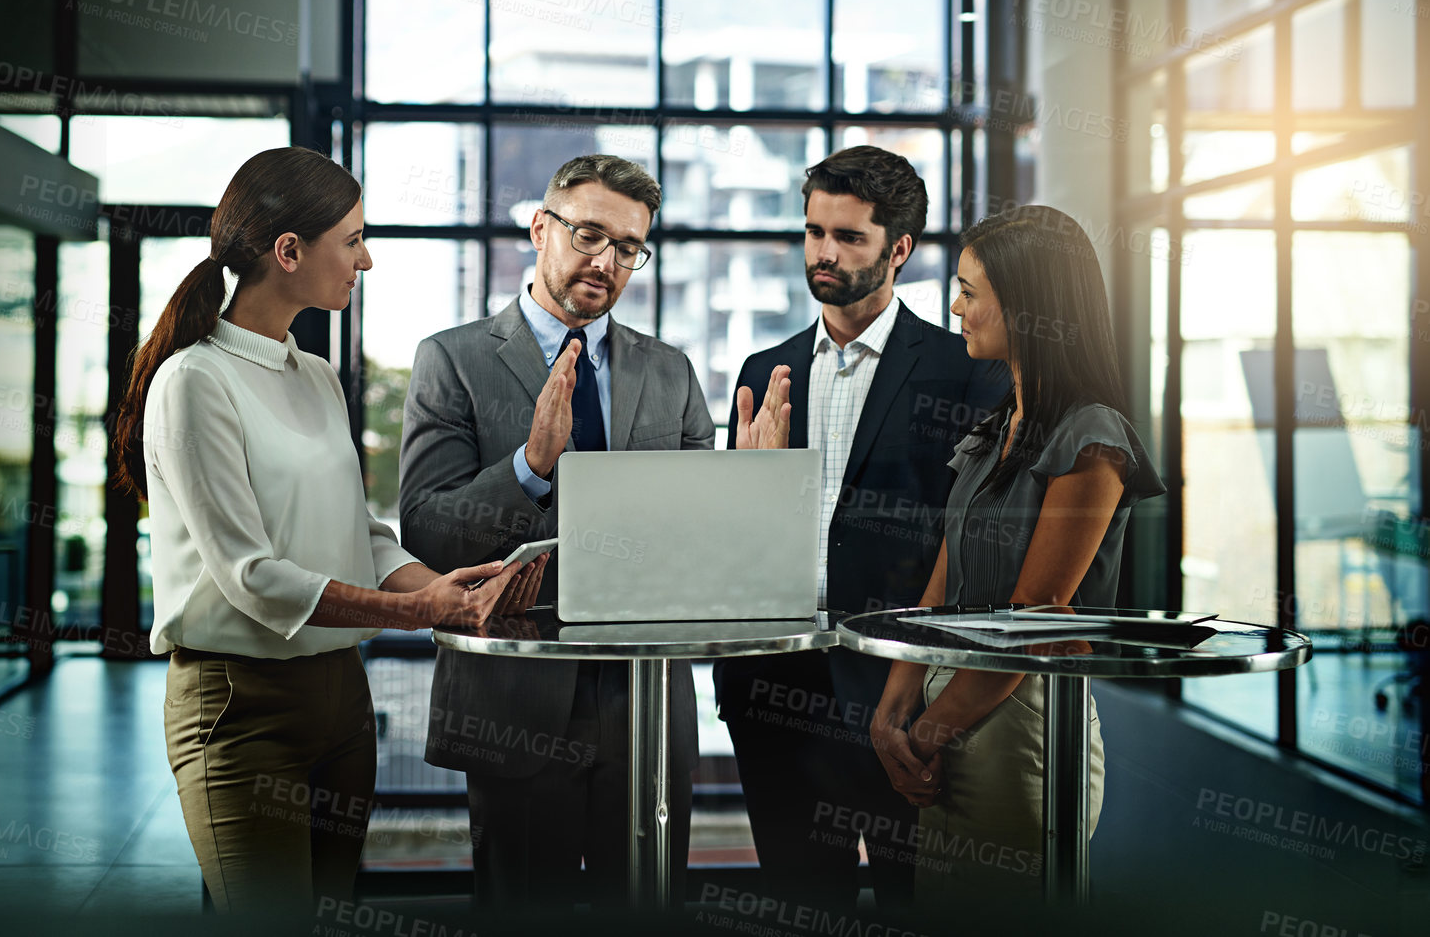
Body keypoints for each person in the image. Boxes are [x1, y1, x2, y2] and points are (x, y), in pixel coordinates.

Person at [107, 145, 547, 916]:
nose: (365, 259)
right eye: (351, 240)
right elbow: (252, 577)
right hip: (238, 707)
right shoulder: (194, 382)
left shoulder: (312, 376)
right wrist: (418, 612)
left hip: (342, 700)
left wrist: (442, 588)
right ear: (288, 252)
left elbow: (362, 534)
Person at [398, 154, 713, 911]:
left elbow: (704, 540)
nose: (605, 261)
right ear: (540, 229)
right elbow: (428, 532)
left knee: (645, 910)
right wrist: (531, 466)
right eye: (588, 235)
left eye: (628, 247)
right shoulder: (453, 360)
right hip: (516, 692)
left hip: (644, 695)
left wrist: (749, 486)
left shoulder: (669, 372)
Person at [718, 145, 1009, 910]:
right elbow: (732, 546)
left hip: (899, 686)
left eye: (849, 237)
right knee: (797, 900)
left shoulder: (967, 370)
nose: (824, 252)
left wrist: (920, 686)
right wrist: (749, 486)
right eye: (815, 231)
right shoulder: (762, 370)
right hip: (775, 681)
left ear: (900, 250)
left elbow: (969, 538)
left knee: (914, 901)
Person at [869, 202, 1166, 903]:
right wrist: (895, 707)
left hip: (1021, 720)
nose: (955, 306)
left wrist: (930, 731)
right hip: (953, 698)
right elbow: (949, 566)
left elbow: (1037, 613)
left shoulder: (1093, 436)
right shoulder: (999, 424)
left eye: (971, 292)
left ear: (1028, 305)